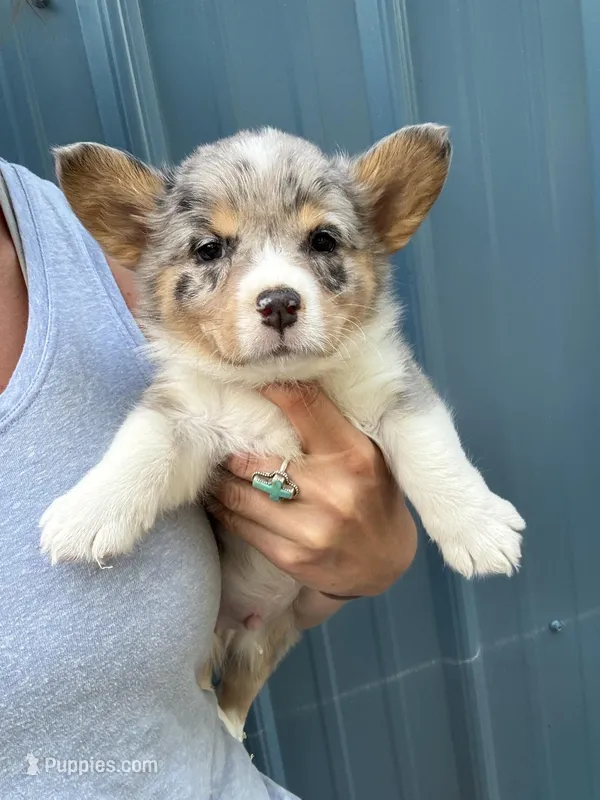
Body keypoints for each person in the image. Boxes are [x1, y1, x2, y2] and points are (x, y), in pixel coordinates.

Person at [0, 156, 417, 798]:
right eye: (213, 249)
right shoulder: (150, 239)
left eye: (319, 240)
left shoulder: (82, 249)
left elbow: (323, 573)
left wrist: (370, 555)